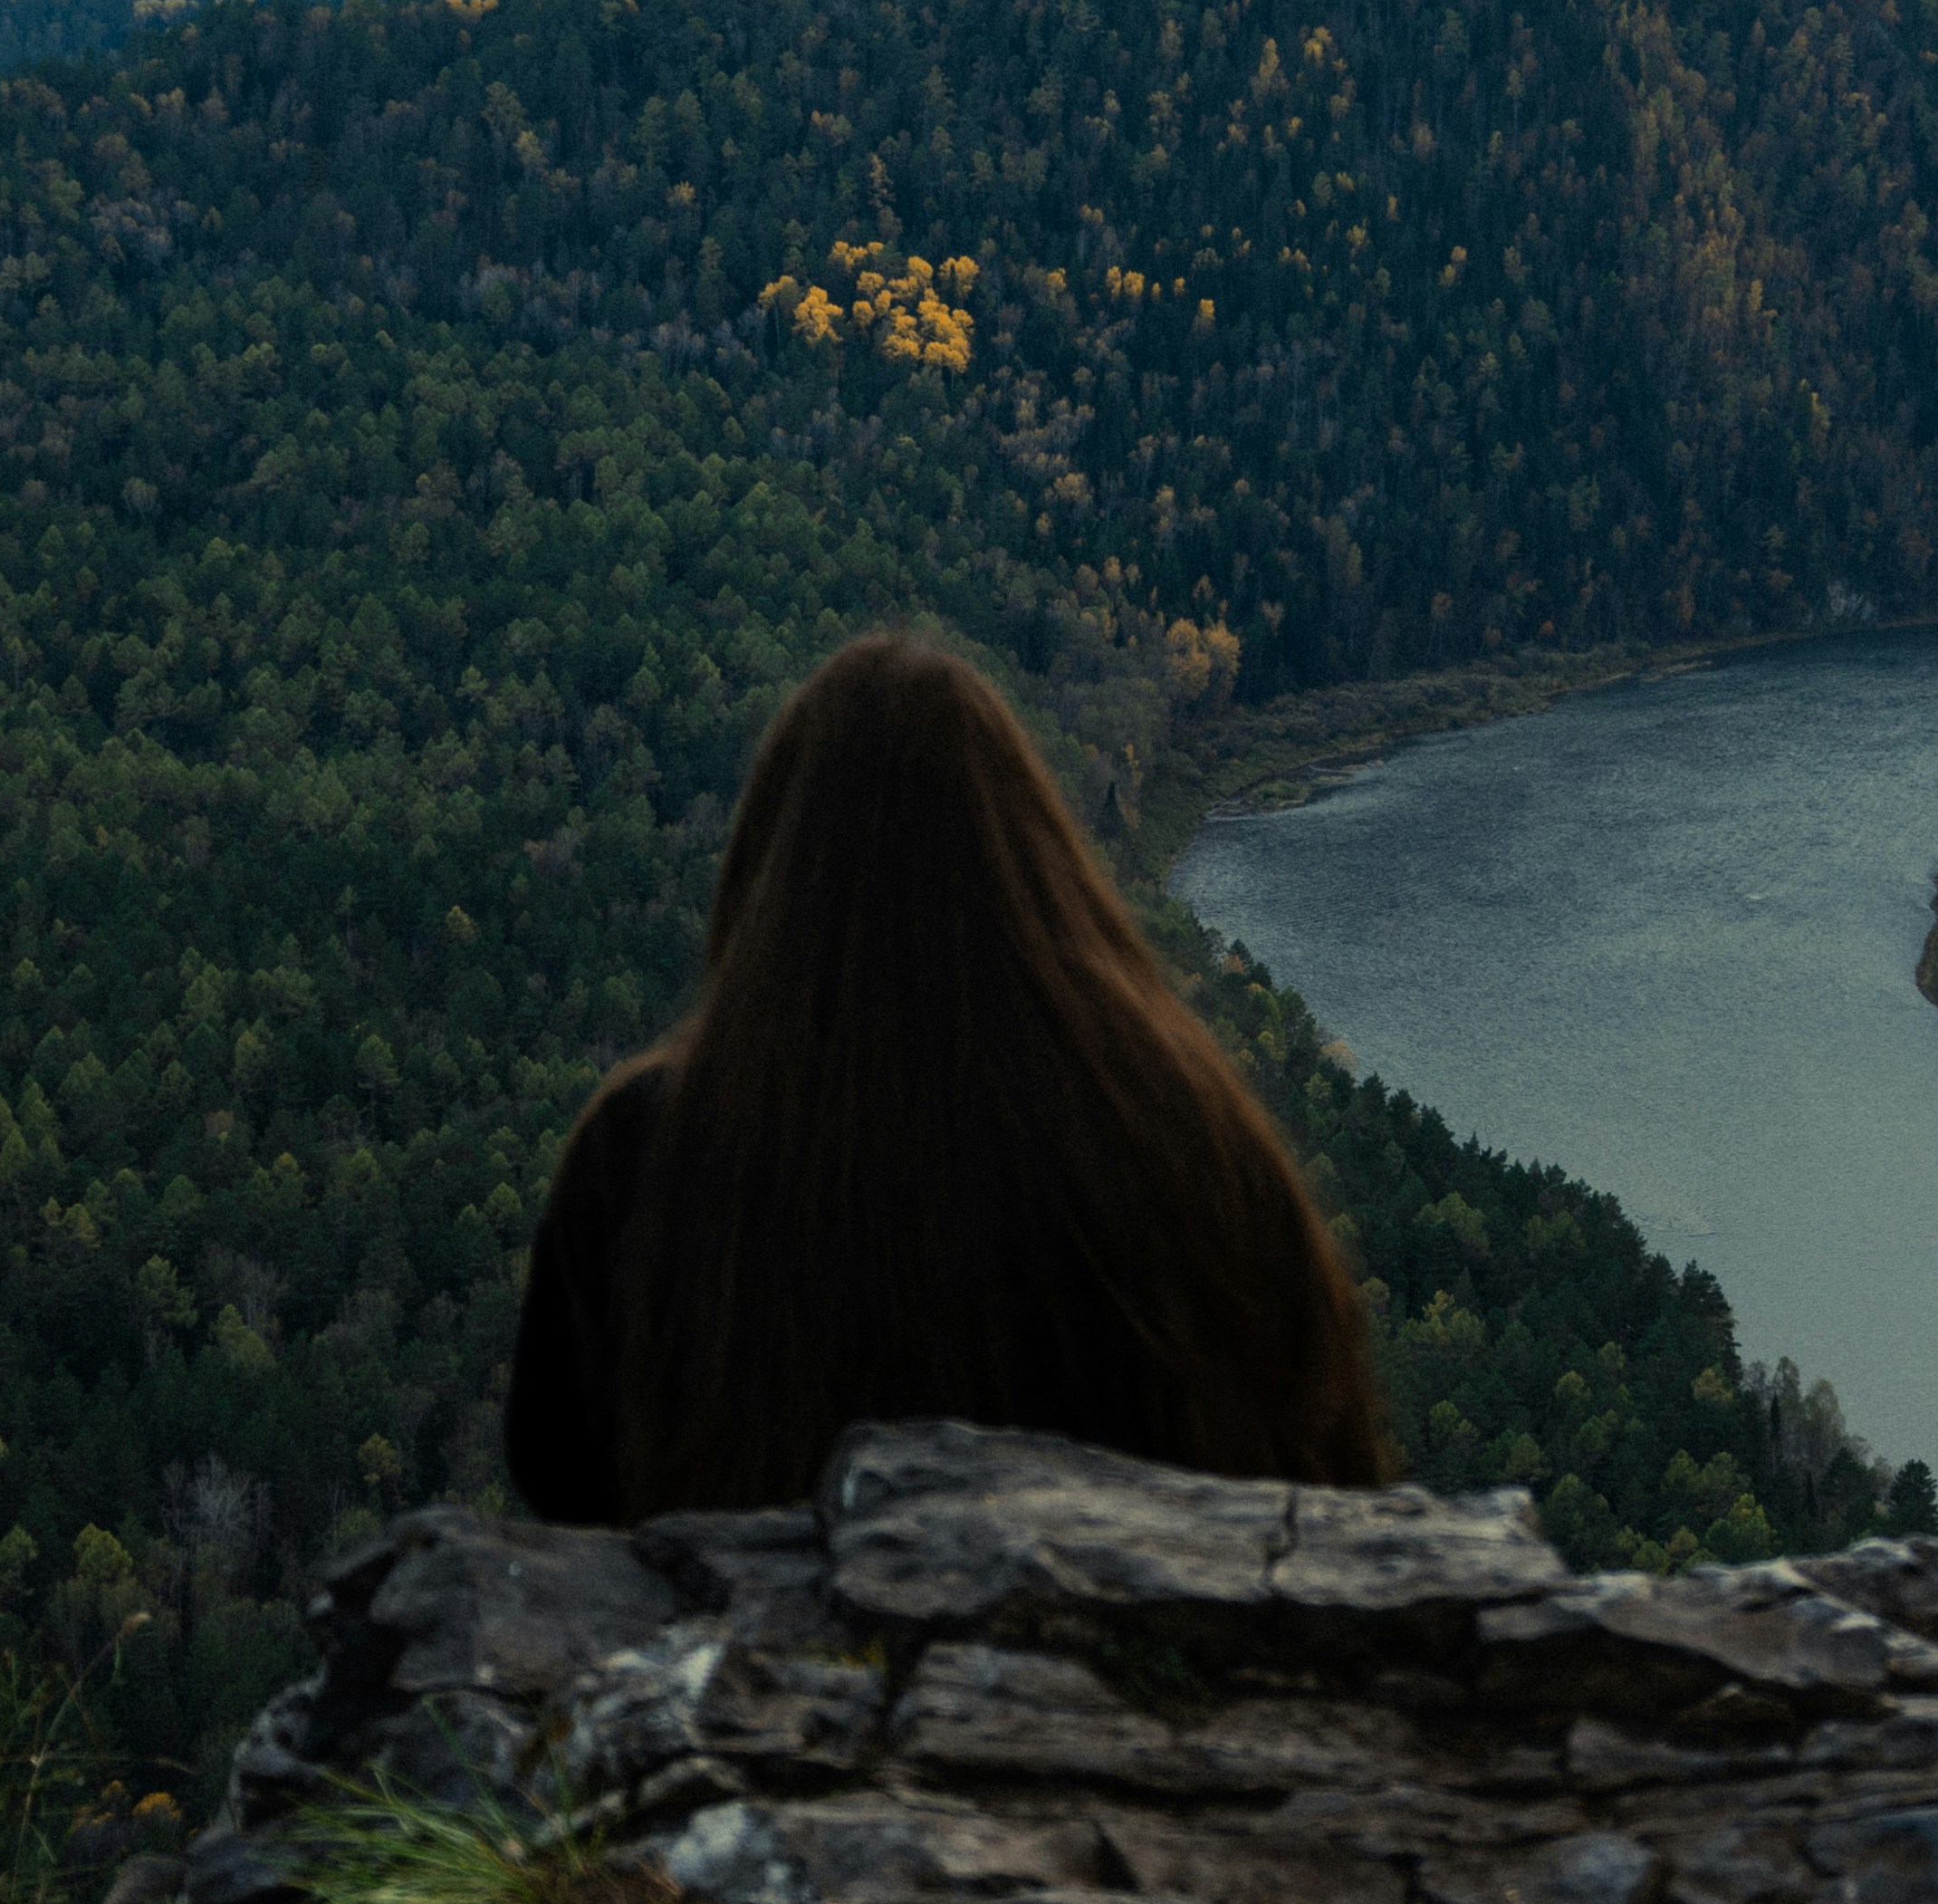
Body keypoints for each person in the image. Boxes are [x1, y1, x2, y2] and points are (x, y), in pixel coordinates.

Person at [506, 631, 1394, 1524]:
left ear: (768, 874)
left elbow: (559, 1488)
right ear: (1039, 861)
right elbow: (1323, 1456)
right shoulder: (1182, 1128)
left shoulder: (639, 1155)